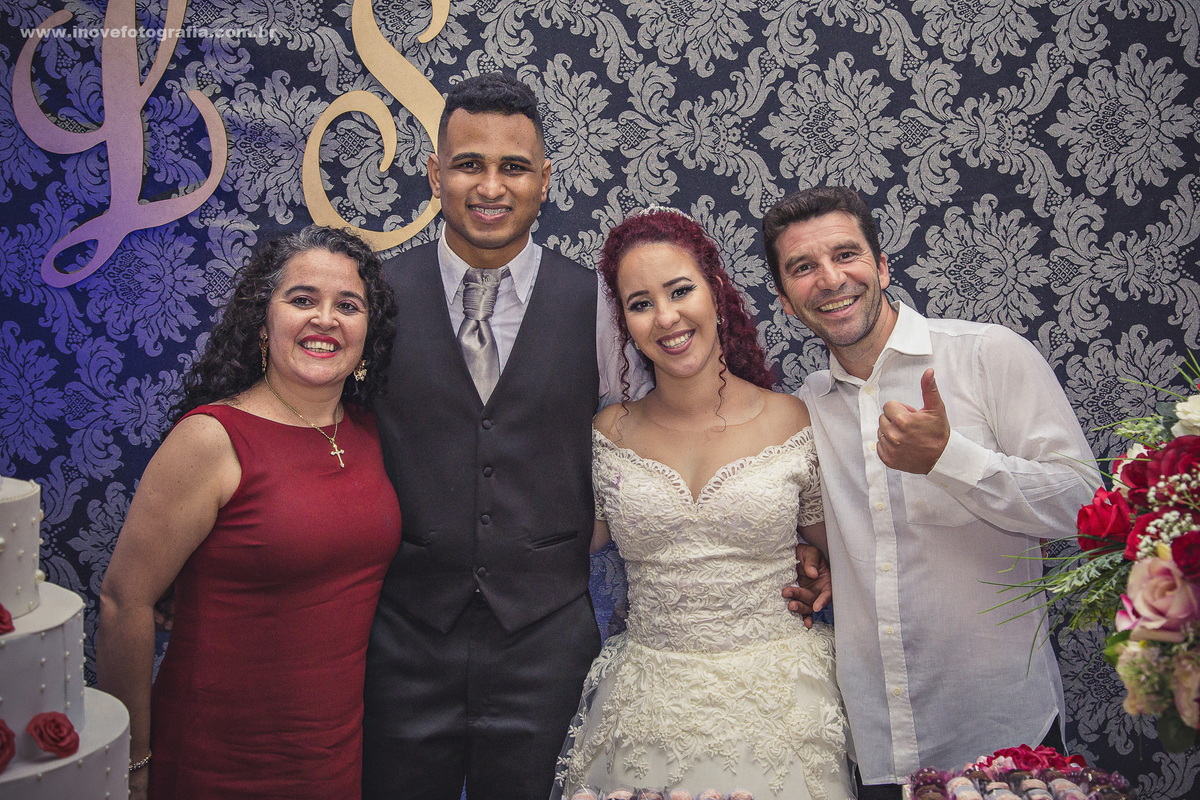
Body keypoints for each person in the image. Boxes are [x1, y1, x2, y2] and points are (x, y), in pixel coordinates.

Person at [362, 72, 650, 800]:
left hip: (546, 641)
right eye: (469, 164)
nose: (490, 187)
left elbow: (644, 440)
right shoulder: (373, 299)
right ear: (435, 174)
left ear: (544, 181)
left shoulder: (600, 303)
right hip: (401, 638)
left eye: (513, 167)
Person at [765, 187, 1099, 798]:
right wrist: (817, 560)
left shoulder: (988, 355)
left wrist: (950, 459)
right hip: (877, 740)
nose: (830, 279)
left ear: (883, 266)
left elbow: (1085, 506)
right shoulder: (805, 408)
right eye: (803, 267)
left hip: (999, 728)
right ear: (786, 301)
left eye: (846, 254)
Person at [553, 207, 855, 800]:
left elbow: (851, 549)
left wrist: (829, 572)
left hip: (781, 705)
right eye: (641, 303)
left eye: (680, 291)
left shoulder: (791, 419)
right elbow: (559, 544)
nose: (666, 317)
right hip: (646, 705)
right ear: (624, 322)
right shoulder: (608, 434)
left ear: (716, 291)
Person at [97, 226, 401, 800]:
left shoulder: (367, 432)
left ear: (369, 332)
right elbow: (122, 604)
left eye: (348, 305)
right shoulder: (212, 437)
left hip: (333, 758)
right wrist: (133, 763)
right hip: (218, 759)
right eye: (303, 299)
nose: (325, 319)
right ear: (263, 320)